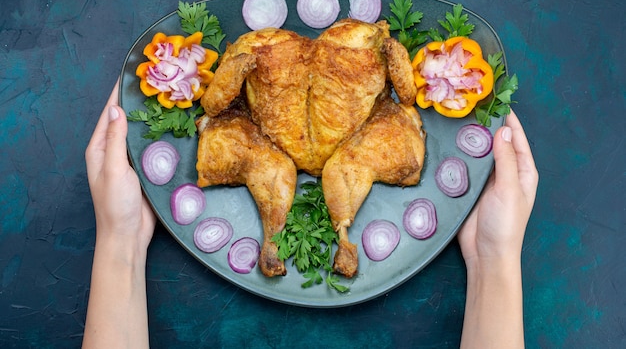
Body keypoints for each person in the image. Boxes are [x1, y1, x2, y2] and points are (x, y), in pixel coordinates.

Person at [83, 80, 538, 349]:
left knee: (311, 164)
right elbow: (406, 92)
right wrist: (493, 257)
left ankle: (327, 236)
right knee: (292, 165)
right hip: (287, 132)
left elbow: (216, 99)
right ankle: (311, 236)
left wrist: (119, 239)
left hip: (341, 129)